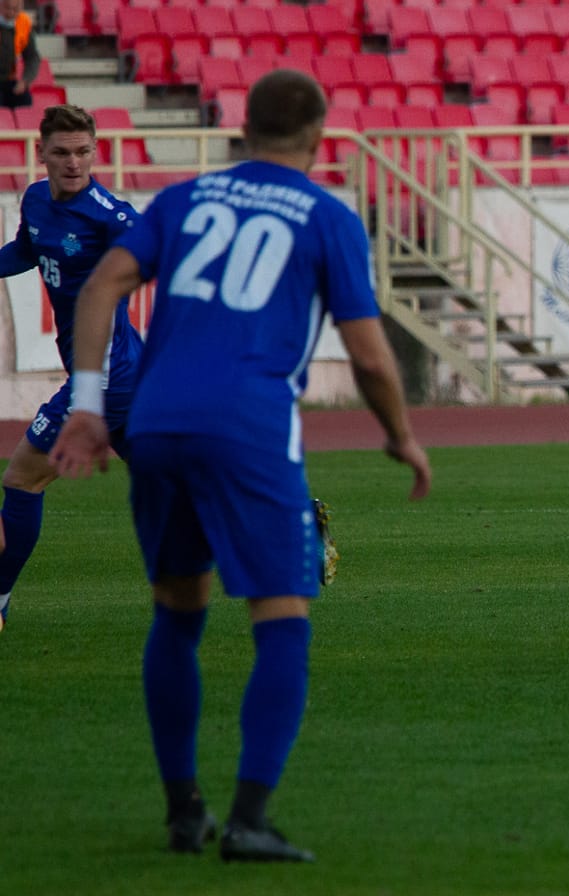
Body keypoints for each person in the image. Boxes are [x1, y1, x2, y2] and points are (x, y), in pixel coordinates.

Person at [51, 70, 433, 862]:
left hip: (154, 420)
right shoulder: (328, 215)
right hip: (248, 427)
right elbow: (367, 352)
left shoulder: (184, 200)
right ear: (319, 135)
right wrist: (400, 435)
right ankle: (251, 820)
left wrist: (89, 404)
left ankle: (183, 810)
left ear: (242, 131)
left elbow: (102, 288)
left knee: (177, 611)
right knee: (282, 616)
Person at [0, 104, 141, 633]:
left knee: (22, 478)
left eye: (83, 152)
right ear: (42, 154)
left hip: (105, 380)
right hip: (126, 369)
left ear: (96, 152)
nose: (74, 163)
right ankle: (287, 528)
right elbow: (24, 252)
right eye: (61, 153)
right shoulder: (36, 200)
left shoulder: (114, 217)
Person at [0, 0, 40, 109]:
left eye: (15, 9)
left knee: (24, 100)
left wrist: (25, 80)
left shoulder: (24, 22)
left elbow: (32, 57)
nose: (11, 13)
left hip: (8, 79)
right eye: (7, 8)